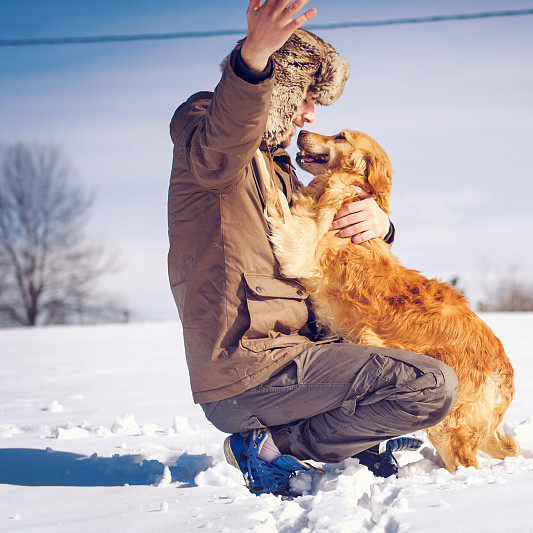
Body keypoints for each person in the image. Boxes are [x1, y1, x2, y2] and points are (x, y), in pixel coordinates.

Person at [167, 0, 458, 496]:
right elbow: (225, 135)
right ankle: (271, 447)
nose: (310, 114)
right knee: (432, 386)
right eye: (303, 95)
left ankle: (356, 439)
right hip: (251, 369)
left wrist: (382, 226)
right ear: (277, 90)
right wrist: (254, 57)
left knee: (413, 354)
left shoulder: (279, 168)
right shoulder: (208, 134)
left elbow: (332, 258)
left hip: (297, 354)